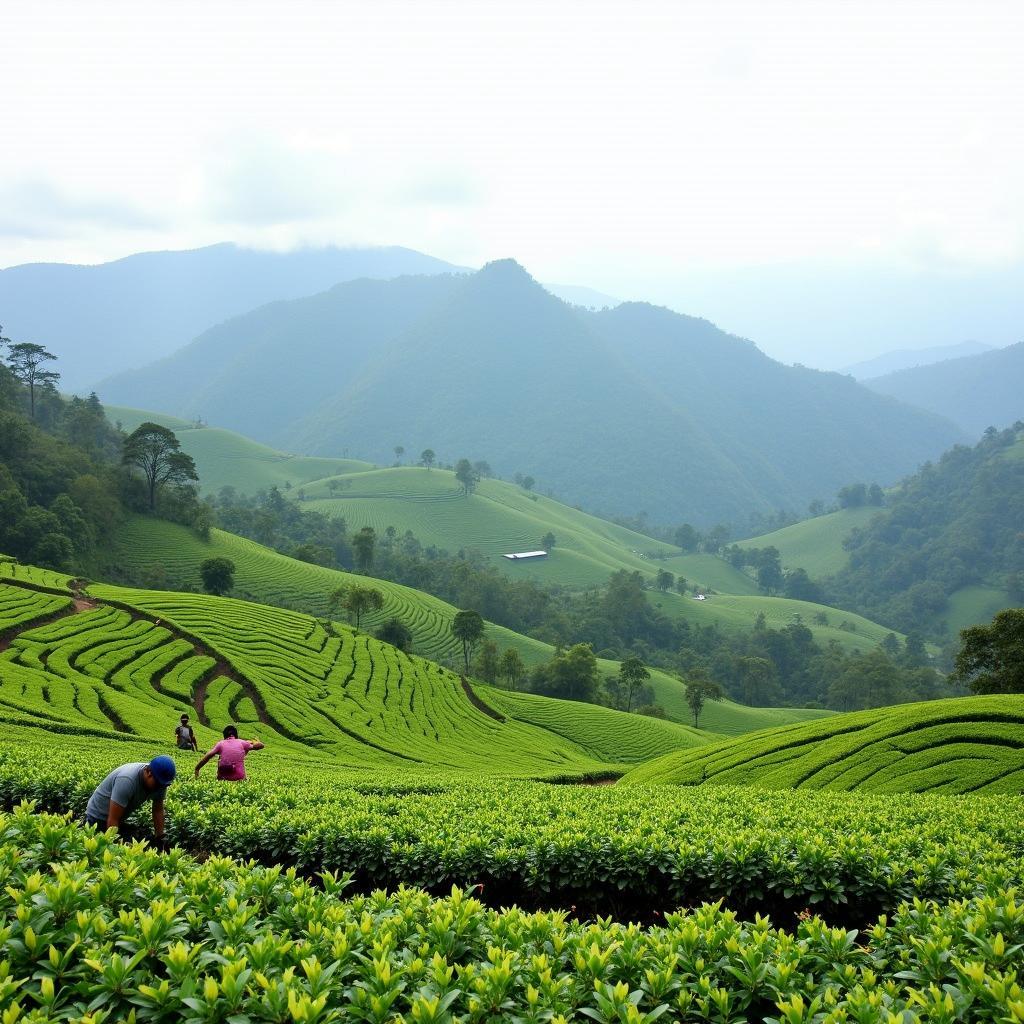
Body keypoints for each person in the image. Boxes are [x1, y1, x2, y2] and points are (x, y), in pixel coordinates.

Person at [85, 756, 176, 843]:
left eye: (165, 785)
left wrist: (159, 837)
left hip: (118, 819)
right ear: (149, 773)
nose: (161, 788)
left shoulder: (160, 782)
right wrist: (114, 846)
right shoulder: (127, 780)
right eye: (159, 784)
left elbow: (158, 810)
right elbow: (113, 819)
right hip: (97, 817)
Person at [194, 725, 264, 781]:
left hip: (223, 779)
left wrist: (197, 768)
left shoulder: (220, 744)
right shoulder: (242, 742)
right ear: (236, 735)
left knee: (220, 758)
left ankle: (221, 777)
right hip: (239, 778)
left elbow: (208, 756)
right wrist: (252, 741)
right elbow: (261, 745)